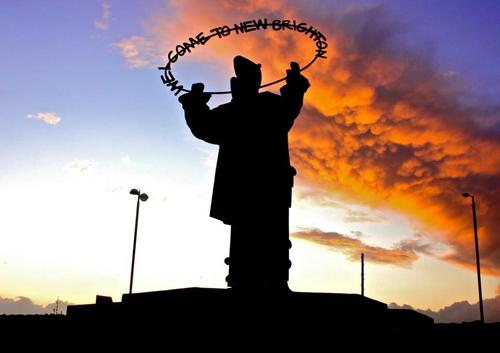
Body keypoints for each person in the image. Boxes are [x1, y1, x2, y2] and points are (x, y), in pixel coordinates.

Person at [178, 55, 309, 291]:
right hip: (260, 185)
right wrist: (194, 104)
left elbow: (203, 126)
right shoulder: (247, 108)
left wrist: (194, 104)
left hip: (262, 185)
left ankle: (262, 279)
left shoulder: (256, 107)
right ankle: (250, 279)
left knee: (265, 235)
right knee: (252, 236)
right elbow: (204, 126)